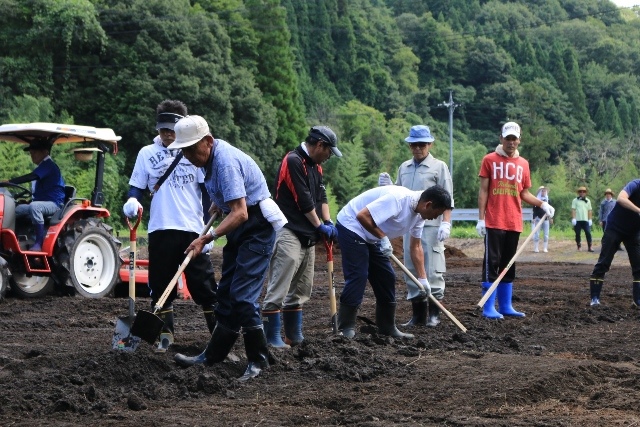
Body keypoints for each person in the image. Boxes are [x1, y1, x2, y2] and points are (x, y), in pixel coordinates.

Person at [170, 115, 286, 382]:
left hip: (255, 227)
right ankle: (213, 355)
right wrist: (218, 201)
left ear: (208, 142)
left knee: (244, 296)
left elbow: (241, 212)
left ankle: (259, 360)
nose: (187, 156)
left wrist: (205, 239)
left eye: (190, 149)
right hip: (240, 230)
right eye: (183, 150)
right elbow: (230, 200)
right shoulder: (208, 161)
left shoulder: (224, 162)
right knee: (226, 293)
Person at [123, 100, 218, 353]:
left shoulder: (194, 150)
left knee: (205, 286)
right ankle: (166, 342)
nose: (167, 134)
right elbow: (137, 186)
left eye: (172, 129)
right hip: (161, 228)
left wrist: (209, 228)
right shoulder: (146, 153)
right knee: (161, 286)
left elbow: (206, 189)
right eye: (164, 129)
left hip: (192, 229)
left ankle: (219, 340)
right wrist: (132, 200)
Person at [335, 184, 452, 339]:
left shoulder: (420, 215)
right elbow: (362, 216)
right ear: (428, 204)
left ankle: (387, 327)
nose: (435, 218)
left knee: (386, 277)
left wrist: (423, 279)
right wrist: (383, 238)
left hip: (372, 234)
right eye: (436, 214)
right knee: (358, 276)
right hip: (351, 226)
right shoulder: (398, 199)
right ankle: (345, 328)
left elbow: (416, 246)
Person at [262, 126, 340, 348]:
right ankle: (272, 338)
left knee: (302, 289)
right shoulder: (294, 160)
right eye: (329, 151)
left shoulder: (317, 167)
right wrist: (319, 225)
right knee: (280, 285)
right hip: (289, 231)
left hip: (309, 235)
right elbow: (303, 201)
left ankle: (293, 335)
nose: (329, 157)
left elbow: (321, 196)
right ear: (319, 145)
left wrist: (327, 222)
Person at [476, 122, 555, 319]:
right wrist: (480, 219)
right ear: (501, 139)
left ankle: (505, 306)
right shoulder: (489, 160)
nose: (511, 142)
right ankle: (488, 308)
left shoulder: (524, 164)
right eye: (507, 138)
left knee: (508, 264)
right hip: (494, 221)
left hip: (513, 221)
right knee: (491, 263)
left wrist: (542, 204)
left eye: (514, 139)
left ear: (519, 140)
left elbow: (524, 193)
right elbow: (484, 191)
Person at [378, 125, 453, 328]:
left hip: (432, 225)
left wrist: (446, 223)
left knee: (433, 269)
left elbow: (448, 198)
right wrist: (388, 187)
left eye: (422, 144)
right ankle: (418, 314)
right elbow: (399, 193)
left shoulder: (439, 167)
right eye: (414, 145)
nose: (418, 148)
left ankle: (434, 313)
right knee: (411, 267)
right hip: (409, 223)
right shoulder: (404, 168)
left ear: (429, 144)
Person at [588, 179, 640, 307]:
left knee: (639, 266)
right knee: (604, 262)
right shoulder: (635, 184)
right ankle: (595, 298)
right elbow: (621, 199)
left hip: (633, 232)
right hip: (614, 228)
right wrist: (638, 210)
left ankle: (637, 300)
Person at [8, 140, 65, 251]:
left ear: (44, 152)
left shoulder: (48, 165)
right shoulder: (41, 167)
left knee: (35, 207)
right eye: (30, 153)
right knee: (15, 209)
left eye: (34, 152)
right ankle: (16, 240)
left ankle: (39, 243)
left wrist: (11, 181)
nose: (32, 156)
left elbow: (32, 176)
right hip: (42, 202)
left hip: (54, 204)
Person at [571, 186, 594, 252]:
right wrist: (573, 218)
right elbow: (573, 210)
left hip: (585, 220)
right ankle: (579, 246)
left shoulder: (588, 201)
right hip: (577, 220)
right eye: (580, 192)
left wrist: (590, 219)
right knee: (577, 234)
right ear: (578, 193)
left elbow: (589, 210)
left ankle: (590, 246)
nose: (582, 193)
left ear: (585, 193)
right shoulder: (575, 200)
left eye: (583, 191)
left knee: (588, 233)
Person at [531, 186, 552, 253]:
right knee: (537, 234)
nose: (543, 192)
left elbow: (550, 210)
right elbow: (534, 210)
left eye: (544, 191)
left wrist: (551, 217)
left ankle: (545, 248)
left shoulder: (548, 200)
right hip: (538, 219)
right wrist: (534, 218)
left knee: (546, 234)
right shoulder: (536, 200)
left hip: (546, 219)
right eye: (542, 191)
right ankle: (536, 248)